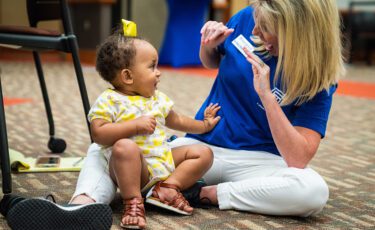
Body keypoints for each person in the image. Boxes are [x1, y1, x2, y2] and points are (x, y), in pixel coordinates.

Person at [72, 0, 345, 219]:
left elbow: (298, 159)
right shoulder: (250, 16)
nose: (254, 32)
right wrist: (209, 46)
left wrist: (266, 94)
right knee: (111, 143)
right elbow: (211, 62)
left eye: (265, 28)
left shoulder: (319, 78)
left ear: (296, 31)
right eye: (257, 23)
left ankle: (203, 194)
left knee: (312, 191)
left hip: (259, 162)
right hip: (204, 148)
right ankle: (84, 204)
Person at [83, 24, 221, 229]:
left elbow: (179, 120)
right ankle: (133, 202)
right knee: (124, 147)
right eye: (152, 67)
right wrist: (134, 126)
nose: (159, 73)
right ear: (128, 76)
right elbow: (99, 134)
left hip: (161, 162)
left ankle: (167, 188)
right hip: (134, 170)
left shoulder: (156, 99)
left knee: (203, 153)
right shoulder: (110, 99)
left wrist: (204, 125)